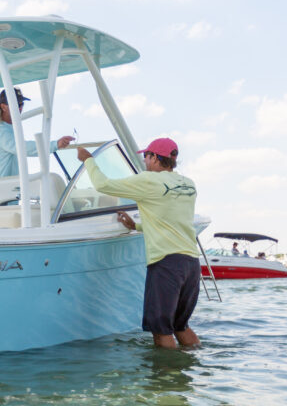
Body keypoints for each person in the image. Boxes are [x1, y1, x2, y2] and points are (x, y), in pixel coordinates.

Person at [77, 137, 201, 349]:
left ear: (154, 157)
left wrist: (88, 160)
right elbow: (172, 219)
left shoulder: (148, 181)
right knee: (181, 326)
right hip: (191, 264)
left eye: (146, 156)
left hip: (167, 263)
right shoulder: (188, 185)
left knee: (161, 331)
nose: (144, 161)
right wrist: (137, 226)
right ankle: (192, 371)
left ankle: (166, 381)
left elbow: (103, 185)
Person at [0, 87, 74, 180]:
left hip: (8, 187)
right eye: (16, 104)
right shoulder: (1, 131)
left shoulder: (9, 128)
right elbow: (23, 148)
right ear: (3, 107)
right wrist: (55, 145)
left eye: (21, 104)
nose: (20, 108)